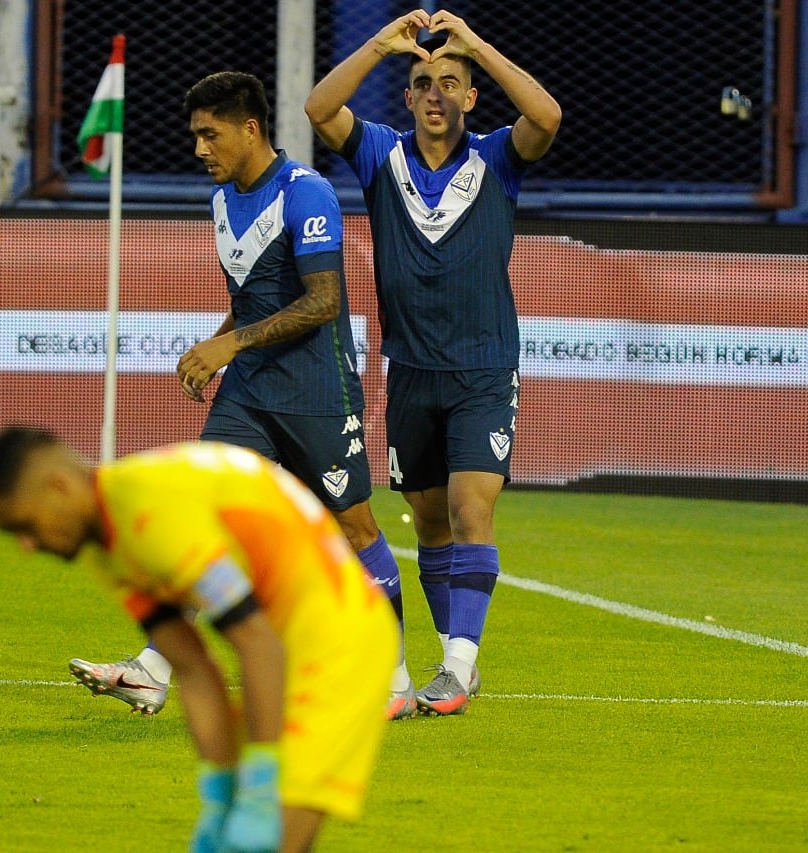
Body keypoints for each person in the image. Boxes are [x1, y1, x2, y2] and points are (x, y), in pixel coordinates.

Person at [70, 70, 417, 720]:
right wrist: (217, 342)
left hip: (318, 388)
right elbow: (251, 297)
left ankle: (394, 680)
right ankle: (152, 668)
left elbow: (323, 301)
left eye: (210, 134)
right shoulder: (223, 199)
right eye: (196, 135)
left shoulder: (306, 193)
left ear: (250, 128)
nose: (200, 148)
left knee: (353, 525)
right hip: (251, 391)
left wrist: (228, 346)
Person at [0, 428, 398, 853]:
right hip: (286, 639)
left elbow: (256, 643)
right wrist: (220, 792)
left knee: (275, 841)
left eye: (23, 526)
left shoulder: (148, 511)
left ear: (58, 487)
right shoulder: (106, 545)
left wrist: (259, 787)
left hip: (340, 637)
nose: (26, 546)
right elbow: (192, 669)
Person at [305, 10, 561, 716]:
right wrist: (379, 47)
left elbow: (547, 114)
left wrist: (477, 44)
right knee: (427, 521)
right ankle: (457, 657)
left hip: (484, 367)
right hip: (409, 370)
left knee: (469, 506)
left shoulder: (498, 158)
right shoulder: (380, 155)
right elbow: (320, 108)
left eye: (451, 82)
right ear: (410, 97)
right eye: (423, 83)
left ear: (471, 97)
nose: (437, 93)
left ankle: (455, 665)